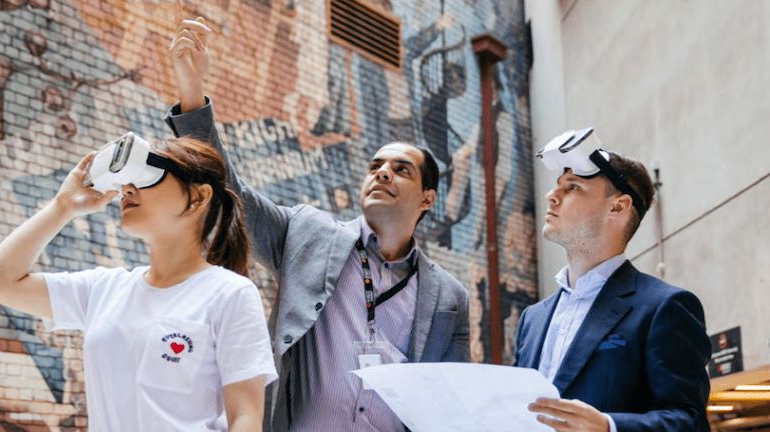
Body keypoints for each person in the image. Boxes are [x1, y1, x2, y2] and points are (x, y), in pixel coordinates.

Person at [166, 16, 470, 432]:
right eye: (375, 166)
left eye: (401, 170)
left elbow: (451, 399)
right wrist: (191, 95)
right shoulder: (306, 234)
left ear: (428, 198)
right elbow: (229, 191)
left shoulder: (449, 296)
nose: (382, 173)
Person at [0, 136, 277, 431]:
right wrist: (62, 207)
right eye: (126, 180)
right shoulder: (103, 289)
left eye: (147, 176)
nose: (127, 189)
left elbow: (245, 418)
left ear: (198, 197)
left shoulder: (229, 294)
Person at [515, 129, 711, 431]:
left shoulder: (664, 307)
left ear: (617, 207)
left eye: (573, 187)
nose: (551, 196)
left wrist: (609, 426)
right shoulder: (532, 318)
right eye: (558, 186)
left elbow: (689, 421)